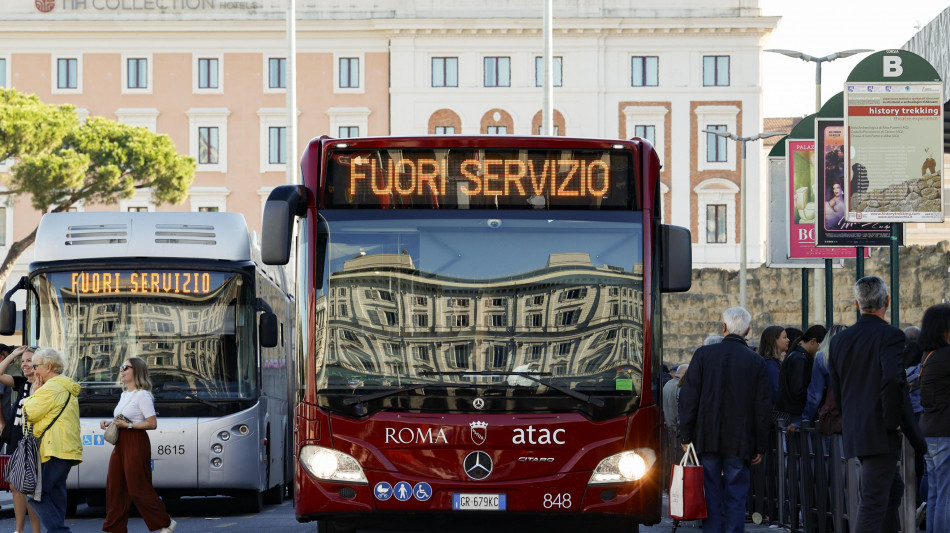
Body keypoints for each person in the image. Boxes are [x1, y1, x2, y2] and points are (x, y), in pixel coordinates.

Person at [678, 307, 771, 533]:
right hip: (740, 440)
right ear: (748, 330)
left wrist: (685, 435)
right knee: (736, 495)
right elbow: (762, 408)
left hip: (707, 438)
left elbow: (689, 399)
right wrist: (760, 445)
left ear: (724, 328)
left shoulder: (702, 355)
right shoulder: (756, 362)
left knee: (710, 493)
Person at [828, 276, 907, 533]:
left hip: (858, 429)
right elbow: (893, 380)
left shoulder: (840, 340)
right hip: (880, 431)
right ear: (886, 300)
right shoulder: (891, 335)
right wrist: (893, 421)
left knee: (892, 490)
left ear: (856, 303)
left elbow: (837, 388)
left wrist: (850, 417)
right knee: (873, 504)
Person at [101, 357, 177, 533]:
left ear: (136, 371)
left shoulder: (143, 395)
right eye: (121, 367)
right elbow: (124, 418)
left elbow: (152, 423)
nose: (121, 370)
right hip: (121, 442)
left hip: (136, 442)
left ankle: (165, 522)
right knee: (115, 486)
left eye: (124, 367)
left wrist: (127, 425)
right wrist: (109, 423)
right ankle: (115, 528)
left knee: (137, 488)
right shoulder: (124, 394)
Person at [22, 348, 82, 533]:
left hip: (54, 448)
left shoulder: (51, 388)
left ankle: (59, 532)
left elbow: (29, 412)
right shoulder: (65, 385)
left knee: (35, 495)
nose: (33, 370)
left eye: (36, 366)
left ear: (48, 367)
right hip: (65, 448)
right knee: (56, 495)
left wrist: (35, 392)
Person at [0, 346, 42, 533]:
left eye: (28, 360)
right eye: (22, 361)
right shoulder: (21, 382)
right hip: (16, 438)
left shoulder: (46, 386)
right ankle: (19, 530)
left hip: (33, 440)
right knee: (15, 485)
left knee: (30, 487)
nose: (24, 365)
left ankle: (36, 531)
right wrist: (14, 355)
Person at [918, 303, 950, 532]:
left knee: (936, 495)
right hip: (945, 433)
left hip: (930, 432)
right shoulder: (946, 356)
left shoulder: (929, 356)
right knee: (946, 497)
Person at [796, 325, 847, 429]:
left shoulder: (822, 358)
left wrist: (805, 419)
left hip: (832, 417)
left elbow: (815, 396)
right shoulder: (857, 357)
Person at [776, 325, 826, 426]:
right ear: (813, 341)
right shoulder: (800, 359)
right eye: (821, 346)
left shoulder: (797, 356)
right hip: (795, 414)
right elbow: (798, 390)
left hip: (792, 412)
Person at [757, 325, 788, 403]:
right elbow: (776, 392)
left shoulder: (773, 362)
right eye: (784, 337)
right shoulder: (769, 364)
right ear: (774, 340)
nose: (788, 340)